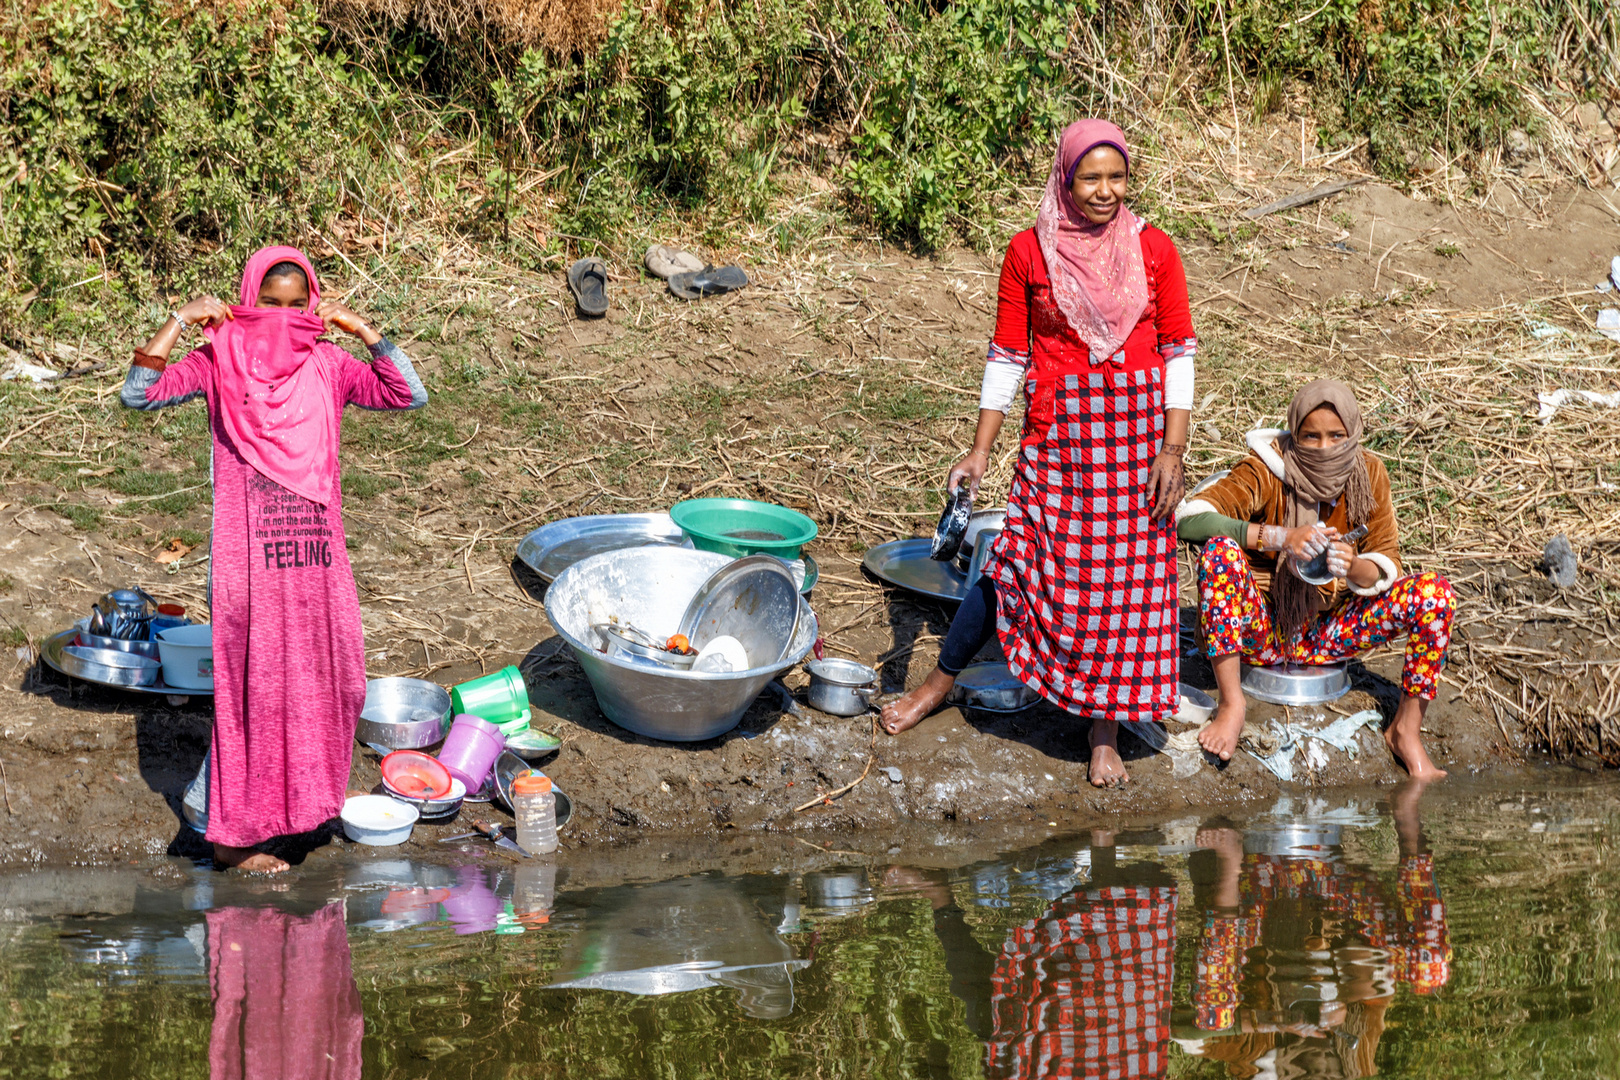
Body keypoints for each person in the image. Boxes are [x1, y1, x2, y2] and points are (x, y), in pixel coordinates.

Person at [879, 118, 1197, 789]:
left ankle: (1104, 730)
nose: (1105, 191)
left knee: (1125, 589)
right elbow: (1008, 354)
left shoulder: (1155, 250)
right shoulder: (1029, 251)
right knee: (1016, 560)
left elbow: (1178, 351)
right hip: (1059, 440)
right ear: (1065, 178)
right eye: (1091, 177)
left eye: (1117, 177)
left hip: (1140, 444)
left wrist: (1174, 448)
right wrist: (979, 449)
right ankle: (939, 684)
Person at [122, 246, 427, 872]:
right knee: (250, 689)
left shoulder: (329, 362)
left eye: (298, 305)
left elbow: (407, 394)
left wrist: (365, 332)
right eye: (270, 304)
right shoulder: (218, 360)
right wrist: (181, 319)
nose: (284, 316)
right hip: (248, 558)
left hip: (317, 556)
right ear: (248, 300)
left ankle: (293, 808)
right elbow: (139, 393)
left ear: (313, 304)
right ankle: (231, 837)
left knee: (330, 682)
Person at [1175, 380, 1454, 779]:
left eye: (1336, 436)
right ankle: (1232, 704)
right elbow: (1192, 520)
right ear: (1293, 435)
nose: (1324, 448)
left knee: (1435, 596)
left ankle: (1406, 731)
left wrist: (1354, 565)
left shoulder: (1369, 473)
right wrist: (1279, 537)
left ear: (1353, 433)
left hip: (1330, 634)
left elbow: (1386, 561)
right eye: (1311, 436)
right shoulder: (1265, 469)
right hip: (1263, 632)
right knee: (1221, 552)